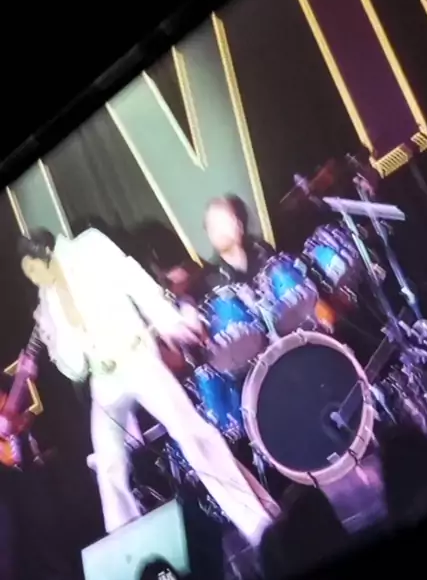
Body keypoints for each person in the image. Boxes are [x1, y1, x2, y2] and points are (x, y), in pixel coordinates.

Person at [17, 228, 278, 544]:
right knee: (108, 466)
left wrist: (170, 321)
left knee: (193, 437)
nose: (33, 279)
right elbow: (76, 370)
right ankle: (131, 549)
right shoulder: (48, 301)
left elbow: (134, 279)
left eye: (32, 269)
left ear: (44, 252)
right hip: (104, 380)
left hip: (136, 358)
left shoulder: (87, 246)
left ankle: (257, 523)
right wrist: (54, 339)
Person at [201, 194, 273, 292]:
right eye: (212, 226)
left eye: (224, 222)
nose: (218, 231)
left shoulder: (263, 251)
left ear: (239, 226)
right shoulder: (211, 280)